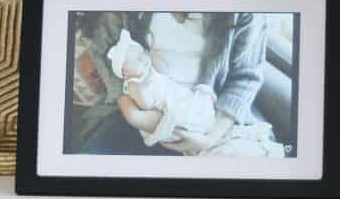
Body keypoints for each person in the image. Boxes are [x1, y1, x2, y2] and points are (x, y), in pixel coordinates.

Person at [80, 11, 284, 158]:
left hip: (216, 118)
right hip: (138, 115)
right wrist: (145, 121)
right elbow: (117, 81)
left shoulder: (242, 11)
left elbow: (244, 78)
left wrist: (208, 138)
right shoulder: (120, 9)